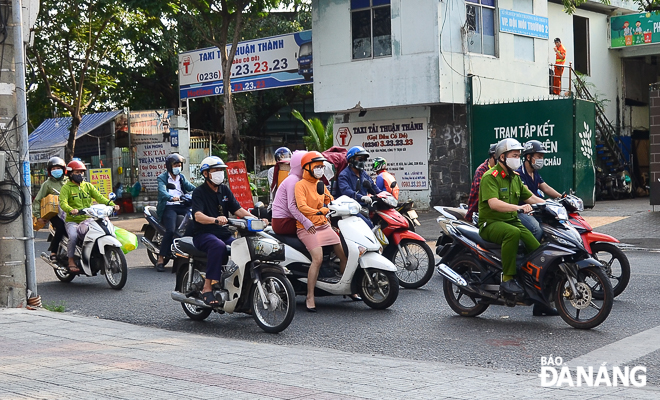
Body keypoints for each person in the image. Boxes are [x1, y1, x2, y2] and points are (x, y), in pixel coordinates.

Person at [191, 156, 265, 306]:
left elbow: (237, 209)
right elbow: (197, 216)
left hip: (223, 233)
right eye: (215, 170)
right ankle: (207, 288)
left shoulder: (224, 190)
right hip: (203, 234)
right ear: (206, 174)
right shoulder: (199, 192)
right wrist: (215, 220)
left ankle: (241, 290)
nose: (220, 173)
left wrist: (256, 219)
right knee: (217, 246)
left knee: (243, 247)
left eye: (221, 170)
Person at [478, 138, 544, 295]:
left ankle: (532, 283)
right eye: (514, 155)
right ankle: (507, 279)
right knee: (512, 233)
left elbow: (531, 197)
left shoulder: (515, 177)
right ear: (502, 157)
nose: (517, 159)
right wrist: (518, 207)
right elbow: (494, 203)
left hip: (511, 220)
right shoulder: (490, 177)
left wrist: (553, 206)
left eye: (518, 156)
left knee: (537, 248)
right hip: (491, 223)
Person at [295, 151, 351, 312]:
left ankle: (344, 288)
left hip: (324, 225)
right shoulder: (300, 185)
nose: (320, 169)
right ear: (308, 167)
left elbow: (330, 199)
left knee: (343, 255)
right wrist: (319, 211)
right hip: (307, 227)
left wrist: (331, 206)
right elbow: (301, 207)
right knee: (317, 259)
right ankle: (310, 296)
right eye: (317, 166)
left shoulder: (320, 183)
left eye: (321, 166)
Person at [59, 160, 119, 273]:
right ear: (70, 173)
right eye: (77, 172)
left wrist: (112, 205)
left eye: (81, 172)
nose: (80, 175)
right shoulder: (66, 188)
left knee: (102, 230)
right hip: (73, 221)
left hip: (88, 219)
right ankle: (71, 259)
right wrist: (71, 210)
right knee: (73, 236)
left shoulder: (88, 186)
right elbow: (63, 203)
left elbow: (100, 197)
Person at [155, 153, 196, 272]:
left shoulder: (181, 177)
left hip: (182, 204)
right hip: (169, 207)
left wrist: (202, 190)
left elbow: (191, 187)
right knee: (170, 230)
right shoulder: (162, 177)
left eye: (179, 165)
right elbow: (162, 191)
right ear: (169, 166)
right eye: (175, 165)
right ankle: (161, 258)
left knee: (195, 221)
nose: (178, 167)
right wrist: (171, 197)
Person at [516, 140, 562, 241]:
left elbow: (546, 187)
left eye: (542, 157)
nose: (541, 160)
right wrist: (546, 203)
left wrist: (562, 197)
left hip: (537, 209)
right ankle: (531, 254)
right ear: (528, 157)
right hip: (523, 210)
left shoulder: (534, 172)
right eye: (539, 157)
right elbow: (528, 196)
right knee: (537, 229)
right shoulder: (519, 174)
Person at [337, 146, 382, 228]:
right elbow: (347, 192)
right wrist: (361, 197)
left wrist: (383, 195)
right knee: (369, 227)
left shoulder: (363, 173)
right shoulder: (344, 175)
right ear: (351, 160)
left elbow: (372, 186)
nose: (363, 162)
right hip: (352, 209)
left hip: (364, 206)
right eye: (360, 159)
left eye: (364, 160)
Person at [33, 157, 68, 261]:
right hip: (55, 213)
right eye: (53, 169)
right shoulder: (47, 184)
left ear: (63, 169)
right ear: (49, 171)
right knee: (61, 227)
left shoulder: (69, 181)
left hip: (70, 211)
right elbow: (37, 200)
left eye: (58, 168)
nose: (55, 170)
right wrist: (38, 216)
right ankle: (53, 251)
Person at [271, 150, 314, 235]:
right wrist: (306, 222)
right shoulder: (294, 180)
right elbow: (292, 206)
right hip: (283, 222)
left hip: (288, 219)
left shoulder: (301, 180)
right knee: (316, 228)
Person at [465, 143, 497, 223]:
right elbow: (482, 192)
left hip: (496, 212)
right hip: (477, 213)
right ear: (494, 156)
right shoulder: (481, 171)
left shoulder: (502, 171)